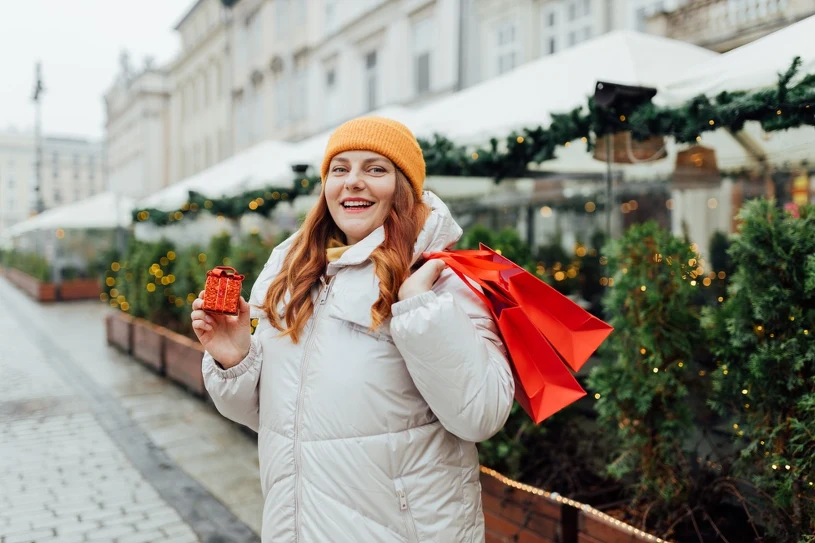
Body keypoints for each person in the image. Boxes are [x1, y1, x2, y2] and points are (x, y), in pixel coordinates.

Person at [191, 116, 514, 542]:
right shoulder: (289, 273)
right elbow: (277, 421)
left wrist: (418, 308)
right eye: (339, 169)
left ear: (404, 187)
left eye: (375, 169)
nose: (353, 182)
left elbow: (481, 414)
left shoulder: (440, 276)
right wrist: (235, 357)